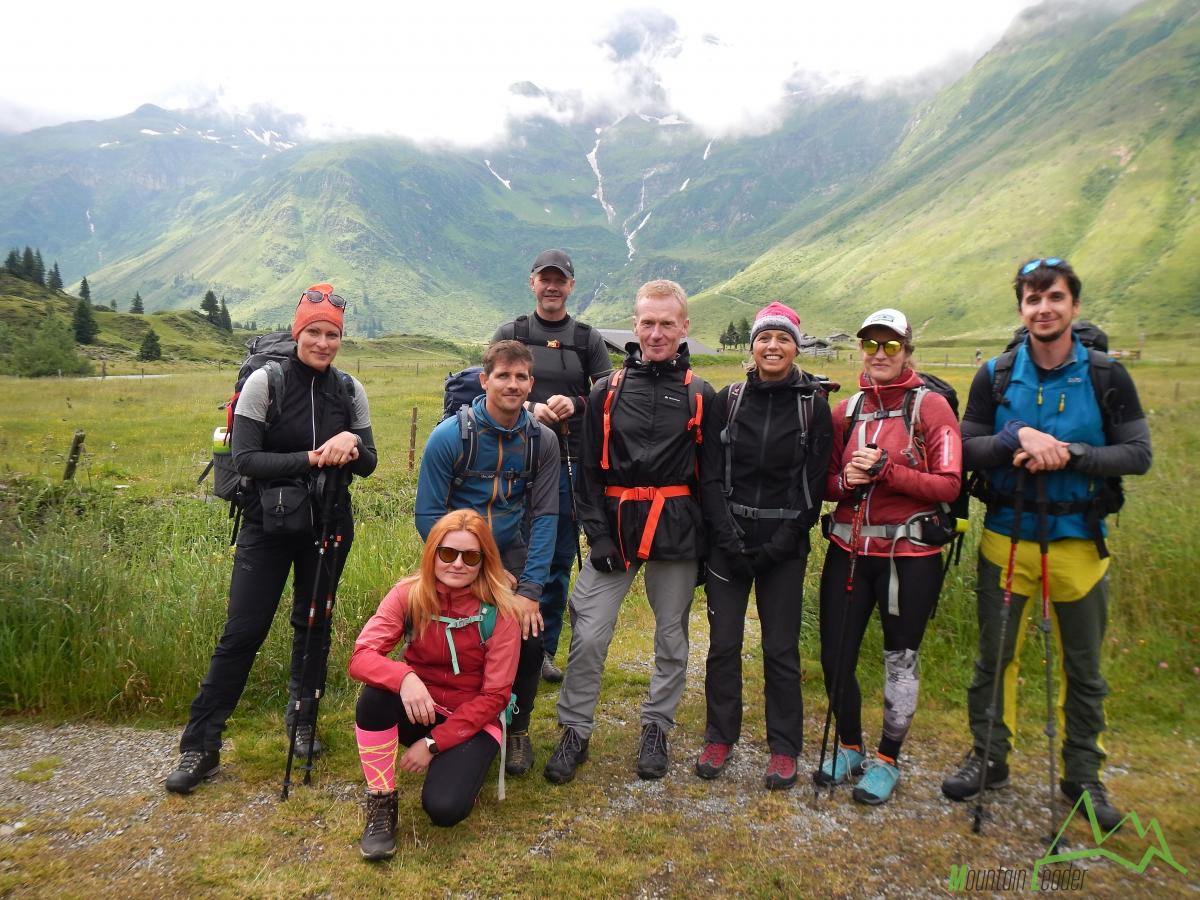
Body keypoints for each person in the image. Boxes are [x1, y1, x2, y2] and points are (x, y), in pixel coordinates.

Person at [941, 258, 1151, 829]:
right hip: (1007, 539)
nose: (1044, 308)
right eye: (1033, 300)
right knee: (994, 658)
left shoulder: (1107, 376)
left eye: (1054, 297)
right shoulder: (997, 375)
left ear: (1073, 305)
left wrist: (1074, 454)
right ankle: (989, 756)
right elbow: (965, 446)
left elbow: (1138, 454)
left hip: (1079, 544)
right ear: (1021, 309)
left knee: (1083, 669)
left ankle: (1083, 775)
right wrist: (1016, 438)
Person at [166, 284, 377, 794]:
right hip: (267, 524)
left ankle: (302, 720)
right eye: (313, 332)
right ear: (296, 331)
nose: (323, 343)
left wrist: (351, 442)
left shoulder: (349, 390)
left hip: (329, 522)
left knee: (313, 623)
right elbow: (245, 460)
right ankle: (201, 745)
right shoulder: (267, 381)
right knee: (243, 632)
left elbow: (369, 463)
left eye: (332, 334)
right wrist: (311, 457)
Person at [544, 279, 715, 784]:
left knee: (670, 636)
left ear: (684, 328)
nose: (657, 332)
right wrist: (596, 535)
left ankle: (657, 726)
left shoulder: (701, 395)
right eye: (647, 322)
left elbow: (711, 478)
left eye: (667, 323)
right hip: (614, 529)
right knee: (590, 632)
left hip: (676, 530)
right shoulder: (605, 392)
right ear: (633, 326)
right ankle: (574, 730)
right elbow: (587, 469)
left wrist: (706, 551)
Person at [814, 308, 961, 805]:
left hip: (910, 556)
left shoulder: (932, 408)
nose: (879, 354)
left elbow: (949, 483)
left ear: (907, 351)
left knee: (900, 658)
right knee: (835, 656)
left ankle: (888, 758)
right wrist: (847, 482)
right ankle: (851, 747)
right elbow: (828, 484)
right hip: (848, 549)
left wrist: (887, 472)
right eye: (871, 344)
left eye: (890, 345)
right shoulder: (846, 411)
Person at [696, 302, 832, 790]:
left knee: (780, 649)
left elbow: (813, 488)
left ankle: (784, 747)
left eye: (783, 339)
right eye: (764, 338)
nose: (773, 346)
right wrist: (727, 539)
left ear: (797, 346)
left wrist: (779, 545)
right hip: (728, 544)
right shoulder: (727, 400)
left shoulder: (812, 405)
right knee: (724, 644)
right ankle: (719, 736)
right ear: (752, 347)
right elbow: (708, 475)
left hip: (784, 546)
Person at [415, 340, 559, 777]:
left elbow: (547, 515)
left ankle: (517, 729)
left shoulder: (542, 441)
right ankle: (445, 714)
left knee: (530, 636)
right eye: (503, 375)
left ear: (530, 383)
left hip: (511, 550)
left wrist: (531, 589)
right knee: (444, 634)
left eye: (520, 377)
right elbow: (427, 516)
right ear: (485, 380)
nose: (512, 385)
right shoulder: (449, 437)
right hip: (454, 552)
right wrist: (475, 570)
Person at [349, 510, 521, 860]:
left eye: (470, 556)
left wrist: (432, 744)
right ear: (432, 553)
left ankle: (467, 768)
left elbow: (495, 696)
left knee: (444, 810)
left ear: (483, 561)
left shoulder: (502, 611)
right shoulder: (408, 595)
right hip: (422, 706)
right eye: (447, 553)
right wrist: (405, 676)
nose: (457, 564)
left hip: (473, 720)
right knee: (375, 696)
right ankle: (381, 802)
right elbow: (362, 656)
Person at [491, 250, 612, 685]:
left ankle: (542, 650)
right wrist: (528, 405)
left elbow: (607, 394)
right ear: (532, 282)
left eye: (560, 279)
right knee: (506, 553)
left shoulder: (587, 338)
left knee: (557, 560)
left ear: (571, 286)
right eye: (545, 278)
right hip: (510, 459)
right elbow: (487, 384)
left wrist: (575, 404)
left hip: (568, 462)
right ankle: (498, 646)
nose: (552, 286)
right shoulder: (512, 332)